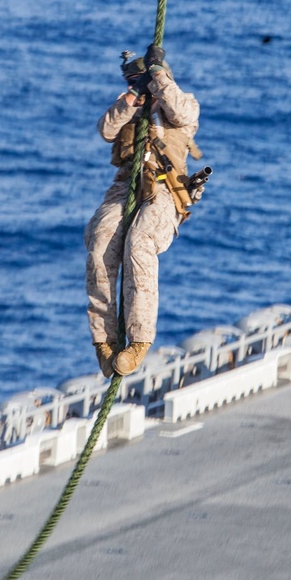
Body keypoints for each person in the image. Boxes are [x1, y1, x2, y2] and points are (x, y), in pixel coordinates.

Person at [85, 47, 201, 377]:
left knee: (140, 242)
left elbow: (180, 113)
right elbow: (106, 129)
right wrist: (132, 98)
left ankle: (139, 341)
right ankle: (104, 341)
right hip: (126, 185)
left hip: (165, 186)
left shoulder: (183, 103)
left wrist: (158, 78)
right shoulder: (131, 108)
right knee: (100, 243)